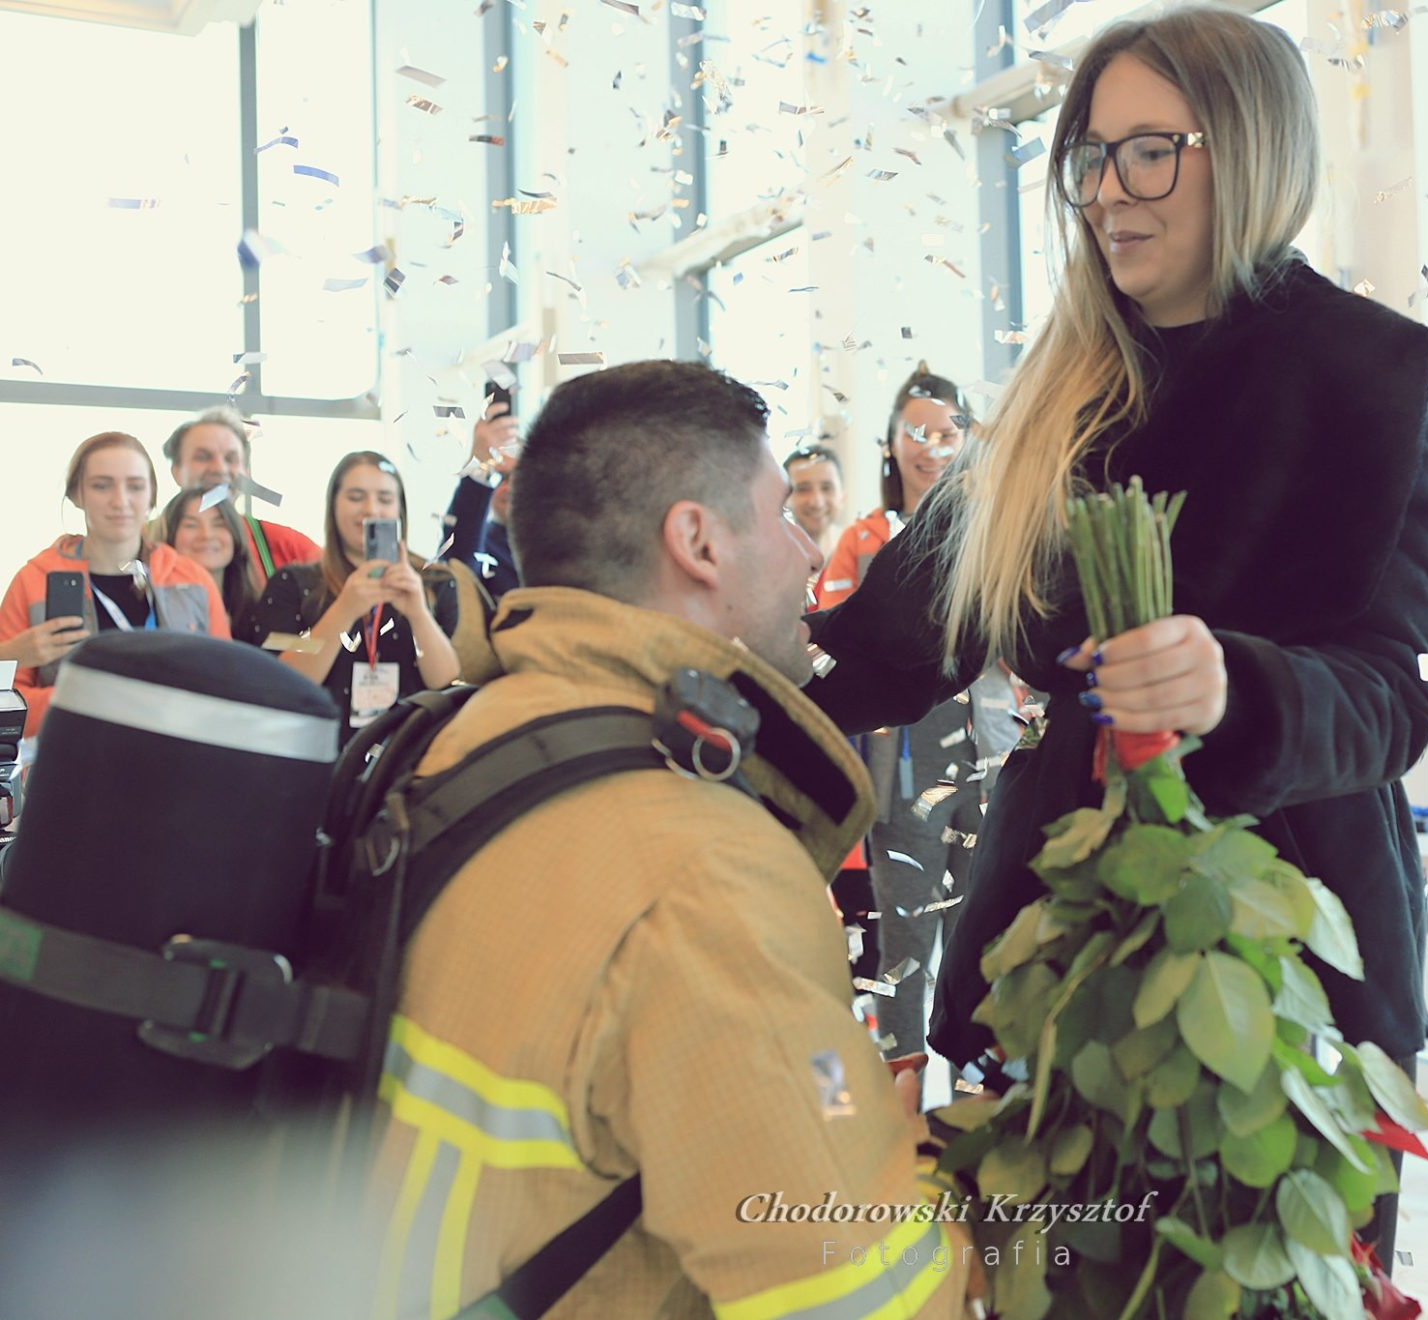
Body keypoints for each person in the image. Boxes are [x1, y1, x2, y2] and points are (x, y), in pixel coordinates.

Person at [803, 5, 1428, 1275]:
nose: (1107, 193)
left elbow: (1388, 698)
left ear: (1253, 151)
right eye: (1090, 158)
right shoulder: (1060, 398)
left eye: (1148, 152)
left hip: (1292, 975)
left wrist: (1241, 688)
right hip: (1063, 959)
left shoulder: (1366, 386)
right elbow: (883, 645)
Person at [365, 359, 974, 1317]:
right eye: (779, 515)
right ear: (696, 541)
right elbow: (863, 1296)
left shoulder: (467, 739)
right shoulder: (703, 875)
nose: (809, 556)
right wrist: (950, 1179)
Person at [815, 367, 1000, 1061]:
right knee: (906, 938)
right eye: (915, 433)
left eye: (947, 432)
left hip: (996, 750)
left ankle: (980, 1088)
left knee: (986, 929)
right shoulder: (864, 539)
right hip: (905, 764)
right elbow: (831, 643)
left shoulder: (997, 533)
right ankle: (899, 1097)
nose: (931, 447)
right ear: (890, 445)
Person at [0, 432, 229, 735]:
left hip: (177, 764)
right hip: (75, 767)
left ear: (151, 496)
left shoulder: (191, 579)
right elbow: (8, 711)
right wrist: (92, 699)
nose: (120, 501)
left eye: (135, 486)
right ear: (77, 495)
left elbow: (229, 689)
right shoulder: (34, 581)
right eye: (102, 486)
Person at [247, 452, 466, 745]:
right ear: (333, 505)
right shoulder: (294, 584)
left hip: (408, 755)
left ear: (400, 510)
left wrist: (418, 614)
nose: (370, 509)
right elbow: (287, 682)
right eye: (355, 496)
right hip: (319, 752)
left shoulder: (434, 582)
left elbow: (444, 681)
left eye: (385, 499)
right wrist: (344, 610)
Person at [153, 407, 320, 591]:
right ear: (176, 471)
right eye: (203, 457)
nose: (219, 469)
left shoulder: (290, 548)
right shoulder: (142, 541)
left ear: (246, 473)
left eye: (231, 459)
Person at [436, 398, 521, 601]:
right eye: (499, 477)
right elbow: (459, 565)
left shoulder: (560, 540)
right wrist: (480, 465)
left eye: (517, 476)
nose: (508, 487)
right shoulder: (480, 541)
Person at [160, 486, 258, 640]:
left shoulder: (257, 612)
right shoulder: (156, 607)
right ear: (170, 536)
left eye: (219, 524)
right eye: (191, 525)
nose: (206, 535)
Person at [783, 442, 848, 554]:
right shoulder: (764, 555)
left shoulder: (859, 553)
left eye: (826, 488)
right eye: (803, 489)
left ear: (842, 497)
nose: (817, 502)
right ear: (783, 498)